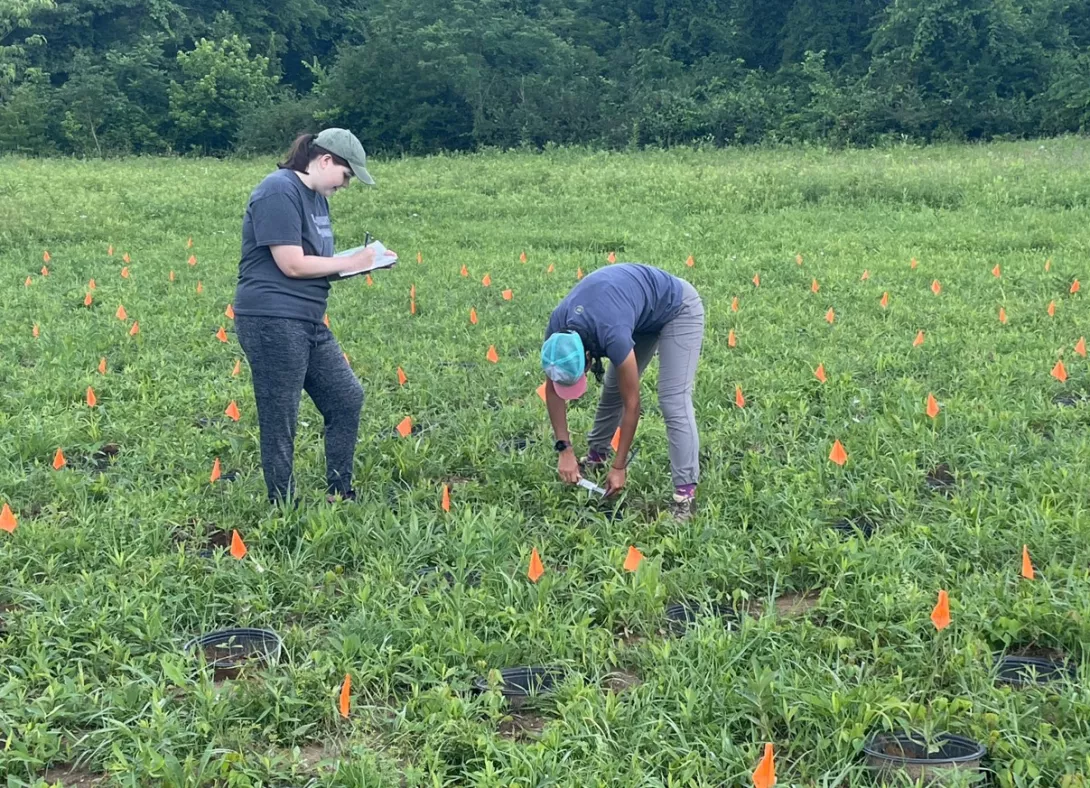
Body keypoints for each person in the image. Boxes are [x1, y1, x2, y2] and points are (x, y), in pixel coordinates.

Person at [232, 128, 397, 505]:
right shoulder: (278, 191)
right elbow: (290, 264)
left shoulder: (317, 198)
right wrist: (351, 261)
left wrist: (366, 264)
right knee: (281, 413)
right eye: (346, 175)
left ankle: (340, 491)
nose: (346, 184)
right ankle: (282, 505)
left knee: (346, 398)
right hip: (271, 317)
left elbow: (318, 264)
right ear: (325, 161)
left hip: (307, 318)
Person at [540, 263, 705, 520]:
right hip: (634, 313)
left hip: (677, 307)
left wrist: (620, 467)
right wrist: (564, 449)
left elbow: (633, 404)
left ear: (587, 355)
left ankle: (685, 495)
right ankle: (596, 456)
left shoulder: (612, 334)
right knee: (613, 387)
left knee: (672, 398)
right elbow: (552, 390)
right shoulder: (557, 333)